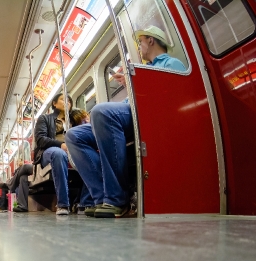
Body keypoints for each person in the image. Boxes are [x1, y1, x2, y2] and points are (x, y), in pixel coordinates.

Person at [65, 26, 186, 218]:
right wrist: (131, 86)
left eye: (141, 43)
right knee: (73, 135)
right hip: (131, 112)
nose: (139, 48)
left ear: (151, 41)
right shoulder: (142, 70)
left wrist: (136, 86)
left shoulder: (171, 64)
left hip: (144, 115)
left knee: (101, 111)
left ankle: (117, 199)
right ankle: (102, 196)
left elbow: (166, 99)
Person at [33, 93, 73, 215]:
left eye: (69, 101)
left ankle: (86, 202)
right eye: (62, 99)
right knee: (59, 154)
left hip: (72, 150)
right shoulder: (45, 118)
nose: (67, 102)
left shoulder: (74, 121)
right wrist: (60, 144)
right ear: (54, 103)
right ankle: (63, 204)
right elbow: (40, 139)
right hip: (50, 151)